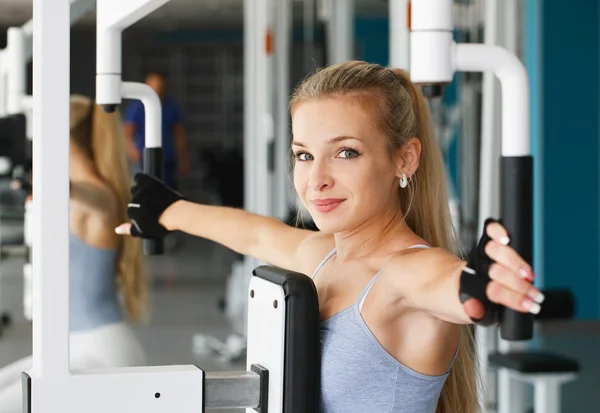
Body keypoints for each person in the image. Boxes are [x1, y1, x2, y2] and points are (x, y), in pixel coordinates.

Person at [116, 61, 543, 412]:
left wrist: (478, 284)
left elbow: (444, 283)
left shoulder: (404, 273)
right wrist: (168, 210)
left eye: (345, 152)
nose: (315, 179)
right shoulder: (322, 256)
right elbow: (256, 235)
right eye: (304, 154)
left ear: (404, 159)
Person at [0, 95, 147, 412]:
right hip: (68, 347)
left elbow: (83, 191)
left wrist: (51, 131)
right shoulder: (72, 199)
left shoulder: (100, 200)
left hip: (104, 352)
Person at [123, 72, 190, 190]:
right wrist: (132, 151)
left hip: (166, 158)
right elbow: (127, 133)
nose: (156, 90)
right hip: (142, 158)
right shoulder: (137, 108)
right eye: (153, 87)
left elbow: (179, 135)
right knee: (143, 190)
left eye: (160, 87)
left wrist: (183, 158)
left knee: (168, 190)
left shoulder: (171, 107)